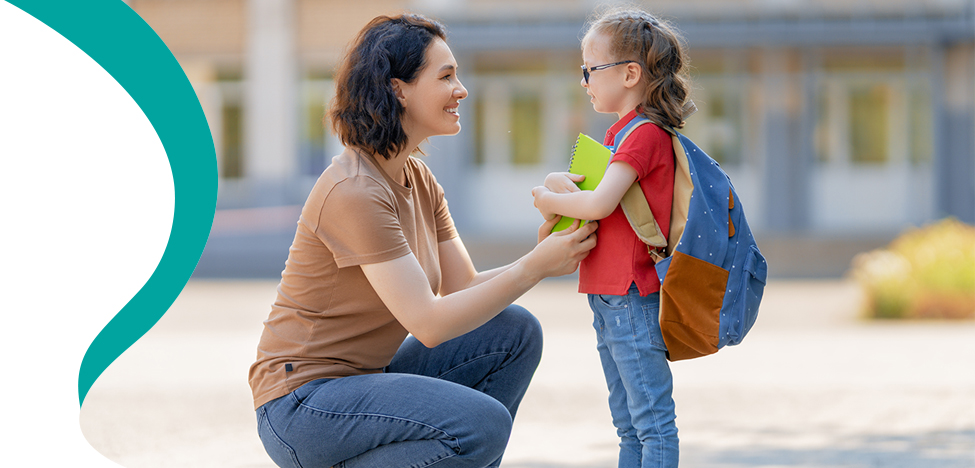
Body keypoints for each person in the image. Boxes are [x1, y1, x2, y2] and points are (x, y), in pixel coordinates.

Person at [248, 13, 597, 468]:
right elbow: (429, 323)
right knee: (480, 424)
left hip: (367, 381)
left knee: (514, 331)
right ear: (398, 89)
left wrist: (543, 252)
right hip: (303, 405)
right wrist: (533, 268)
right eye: (446, 75)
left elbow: (463, 288)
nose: (461, 89)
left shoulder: (417, 177)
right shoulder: (354, 189)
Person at [530, 7, 692, 468]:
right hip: (609, 295)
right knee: (628, 423)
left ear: (629, 74)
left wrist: (545, 196)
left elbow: (599, 204)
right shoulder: (621, 135)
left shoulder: (643, 135)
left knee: (652, 423)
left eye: (589, 69)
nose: (584, 81)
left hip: (630, 294)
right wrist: (559, 188)